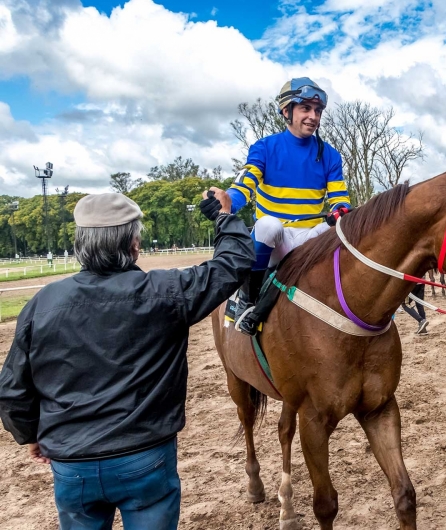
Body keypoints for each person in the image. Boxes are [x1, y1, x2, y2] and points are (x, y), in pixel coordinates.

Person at [0, 191, 255, 529]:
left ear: (80, 244)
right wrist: (224, 217)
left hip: (70, 462)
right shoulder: (168, 291)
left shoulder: (42, 302)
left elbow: (13, 389)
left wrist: (31, 435)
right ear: (134, 243)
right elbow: (232, 263)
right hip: (145, 457)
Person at [223, 78, 351, 335]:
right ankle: (248, 300)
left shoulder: (330, 155)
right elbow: (244, 185)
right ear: (286, 111)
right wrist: (227, 204)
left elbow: (340, 199)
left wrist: (341, 210)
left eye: (317, 111)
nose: (313, 116)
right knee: (268, 224)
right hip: (276, 240)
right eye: (305, 108)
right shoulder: (265, 147)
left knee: (341, 231)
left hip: (311, 239)